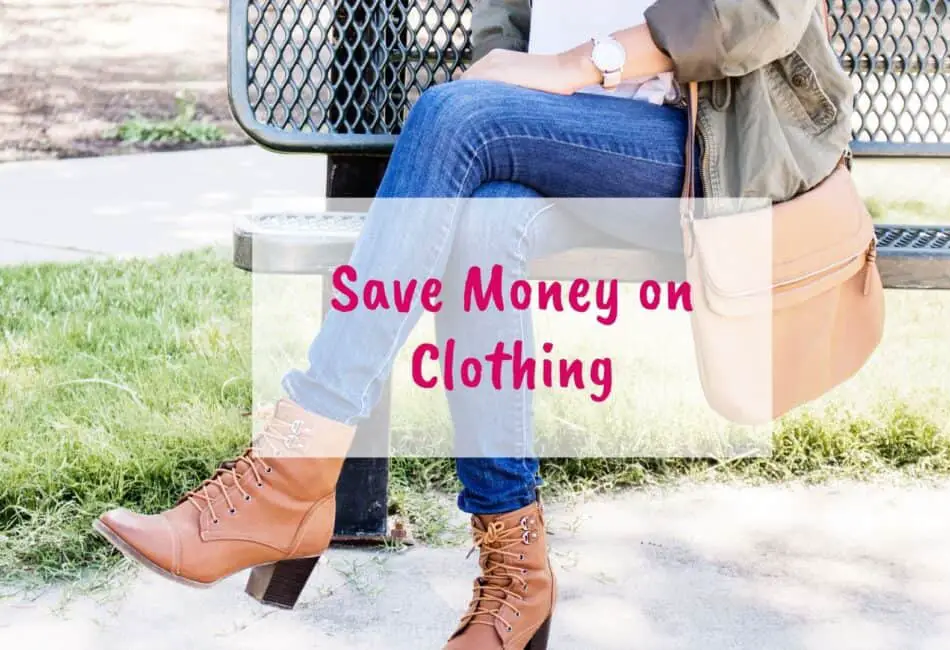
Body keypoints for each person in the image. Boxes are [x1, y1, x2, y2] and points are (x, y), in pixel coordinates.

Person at [93, 1, 854, 648]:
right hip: (571, 133)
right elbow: (504, 16)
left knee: (453, 115)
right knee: (483, 227)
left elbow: (758, 14)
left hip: (710, 149)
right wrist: (517, 70)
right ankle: (516, 573)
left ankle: (291, 468)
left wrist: (567, 69)